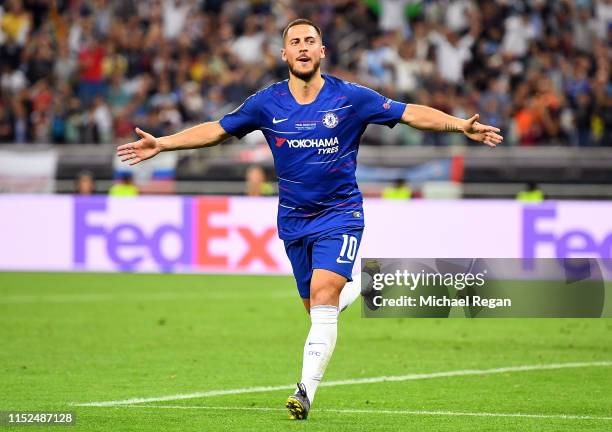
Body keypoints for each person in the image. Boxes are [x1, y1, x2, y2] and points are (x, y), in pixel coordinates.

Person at [116, 18, 503, 420]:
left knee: (323, 293)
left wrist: (459, 125)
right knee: (320, 306)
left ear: (322, 51)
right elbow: (218, 129)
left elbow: (408, 113)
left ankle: (304, 392)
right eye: (294, 42)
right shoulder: (267, 103)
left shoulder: (350, 98)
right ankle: (360, 286)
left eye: (310, 41)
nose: (302, 47)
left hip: (340, 214)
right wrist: (163, 143)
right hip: (294, 222)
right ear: (284, 54)